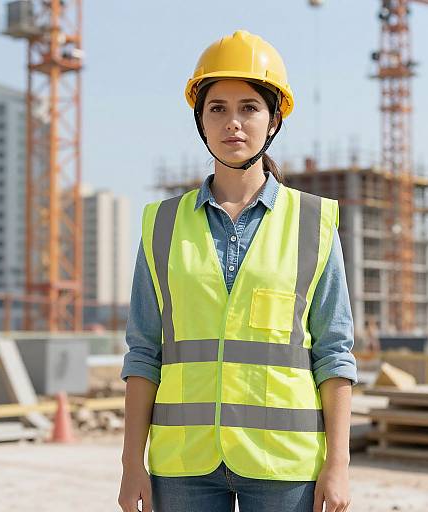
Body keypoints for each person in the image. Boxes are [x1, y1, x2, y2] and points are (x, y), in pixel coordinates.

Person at [118, 29, 358, 512]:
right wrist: (130, 464)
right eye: (217, 108)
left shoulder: (313, 222)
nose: (233, 123)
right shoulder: (161, 224)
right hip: (183, 464)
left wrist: (338, 464)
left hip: (284, 465)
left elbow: (334, 353)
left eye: (249, 107)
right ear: (200, 120)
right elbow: (144, 352)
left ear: (273, 121)